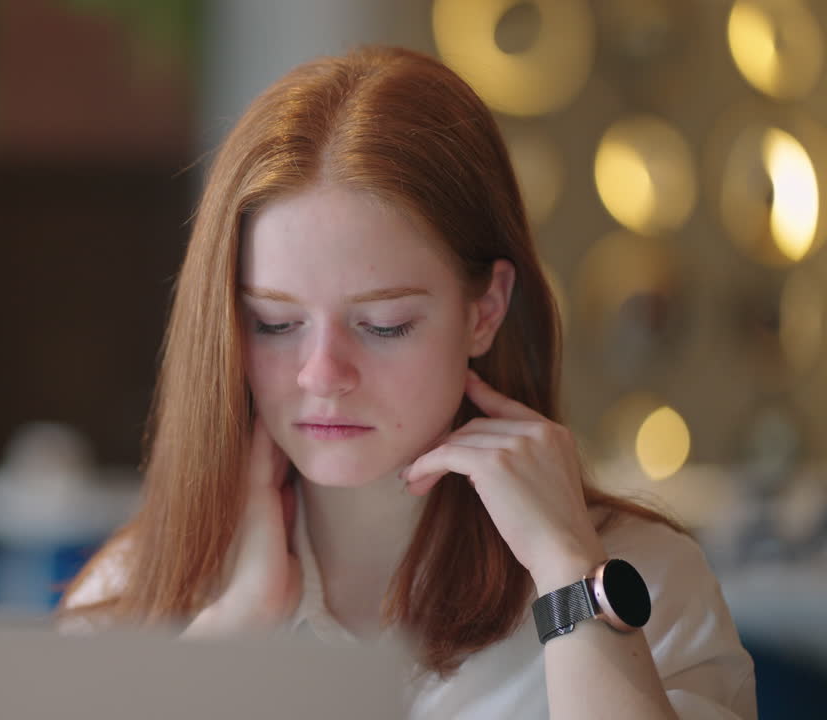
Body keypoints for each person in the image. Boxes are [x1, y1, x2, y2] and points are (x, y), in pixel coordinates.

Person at [58, 46, 756, 718]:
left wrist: (570, 579)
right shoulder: (132, 592)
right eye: (274, 323)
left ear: (484, 310)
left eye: (384, 324)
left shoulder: (644, 581)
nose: (322, 375)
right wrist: (236, 626)